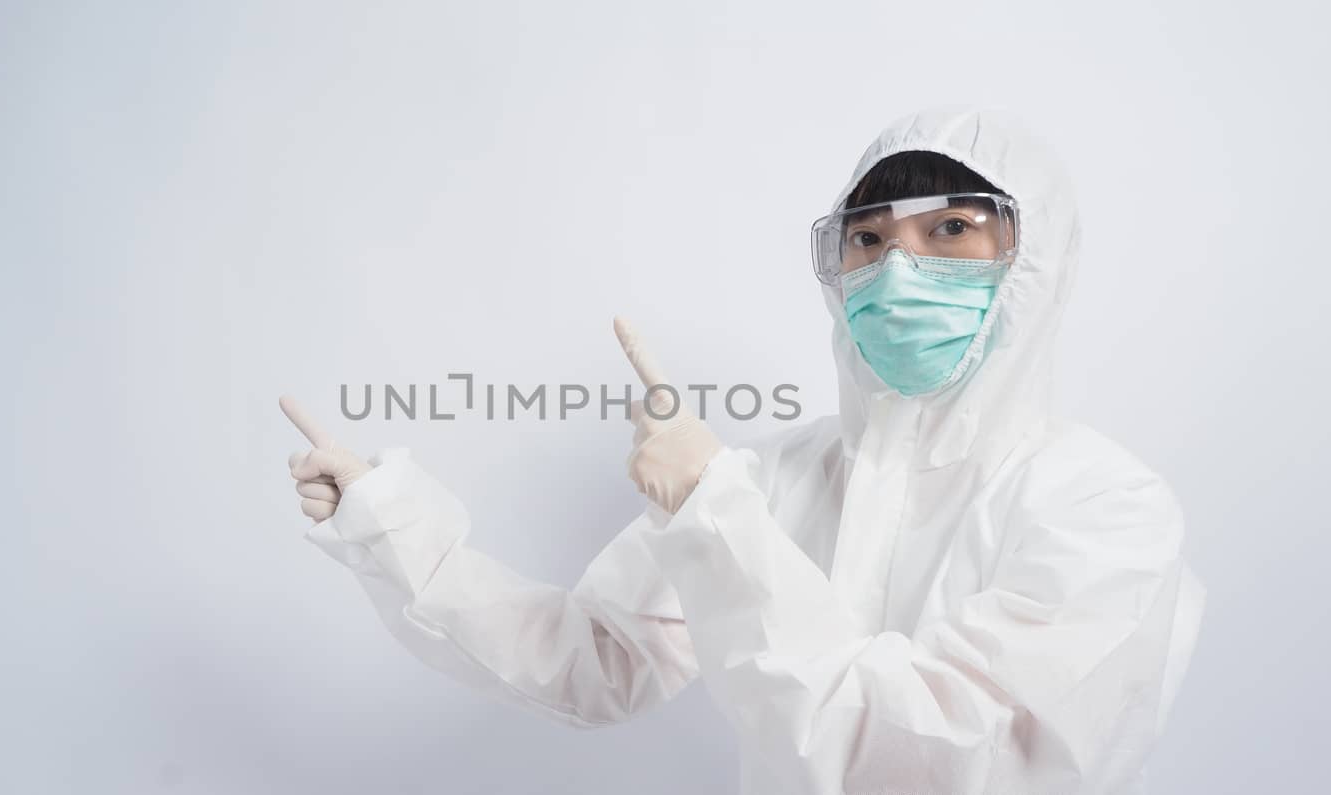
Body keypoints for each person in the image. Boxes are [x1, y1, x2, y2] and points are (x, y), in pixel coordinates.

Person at [282, 107, 1205, 794]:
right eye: (870, 240)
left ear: (1033, 259)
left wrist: (713, 514)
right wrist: (389, 525)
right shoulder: (777, 476)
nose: (897, 269)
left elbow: (916, 755)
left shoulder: (1102, 508)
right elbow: (591, 660)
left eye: (950, 230)